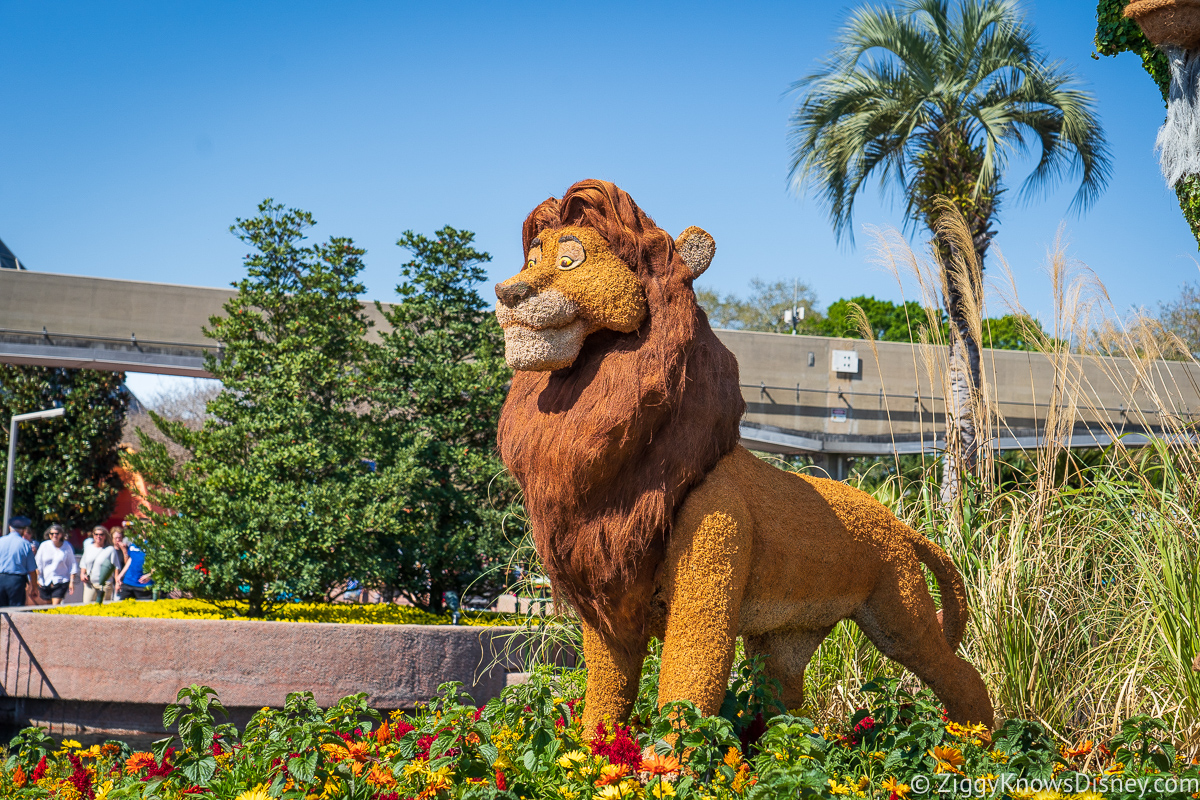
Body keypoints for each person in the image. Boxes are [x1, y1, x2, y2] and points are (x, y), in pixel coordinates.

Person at [34, 524, 77, 606]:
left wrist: (72, 582)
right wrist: (36, 579)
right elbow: (37, 563)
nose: (54, 536)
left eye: (56, 533)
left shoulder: (67, 546)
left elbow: (72, 564)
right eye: (52, 533)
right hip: (44, 581)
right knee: (46, 607)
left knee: (55, 606)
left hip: (61, 580)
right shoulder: (44, 545)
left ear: (61, 534)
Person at [0, 516, 37, 607]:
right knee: (15, 611)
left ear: (9, 527)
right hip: (16, 581)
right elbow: (32, 569)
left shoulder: (1, 541)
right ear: (23, 530)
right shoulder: (25, 544)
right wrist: (34, 587)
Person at [80, 525, 122, 603]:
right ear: (93, 535)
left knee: (103, 608)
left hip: (105, 584)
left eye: (101, 535)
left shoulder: (110, 549)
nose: (98, 536)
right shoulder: (89, 548)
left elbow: (116, 567)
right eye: (96, 534)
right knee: (87, 605)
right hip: (90, 583)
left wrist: (117, 582)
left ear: (105, 536)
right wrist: (82, 574)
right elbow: (83, 564)